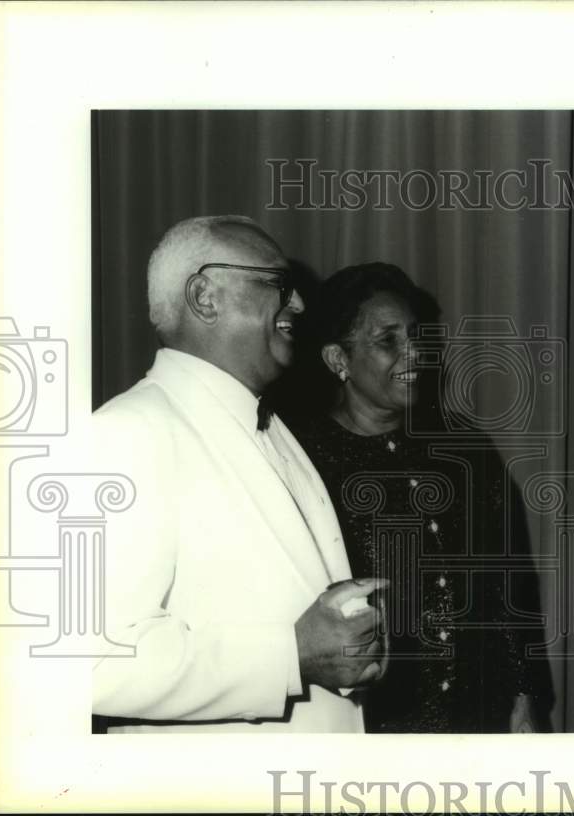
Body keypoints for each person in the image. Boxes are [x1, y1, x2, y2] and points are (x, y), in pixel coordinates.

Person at [91, 215, 385, 733]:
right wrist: (290, 655)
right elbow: (90, 663)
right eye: (277, 285)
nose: (298, 304)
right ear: (205, 296)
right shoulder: (126, 432)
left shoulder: (275, 429)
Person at [284, 261, 553, 733]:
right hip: (371, 727)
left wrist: (526, 698)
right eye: (388, 340)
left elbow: (509, 589)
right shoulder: (302, 460)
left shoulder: (464, 450)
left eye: (415, 335)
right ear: (337, 360)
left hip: (478, 717)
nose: (414, 354)